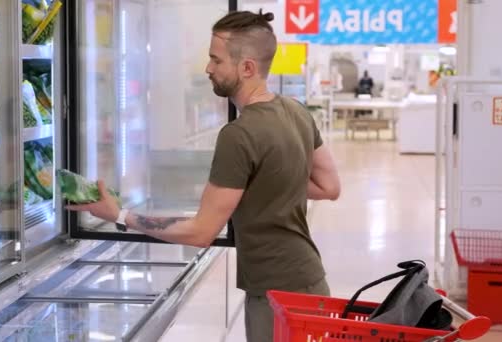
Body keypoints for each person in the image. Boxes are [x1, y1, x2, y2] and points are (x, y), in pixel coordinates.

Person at [67, 10, 341, 342]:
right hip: (311, 281)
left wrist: (119, 215)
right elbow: (329, 187)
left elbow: (201, 232)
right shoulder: (296, 111)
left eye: (216, 60)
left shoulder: (239, 134)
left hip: (275, 294)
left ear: (247, 68)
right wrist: (264, 184)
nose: (208, 68)